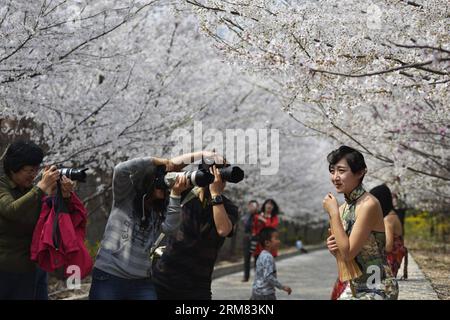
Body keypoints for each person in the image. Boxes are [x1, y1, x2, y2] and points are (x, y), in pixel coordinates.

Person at [89, 151, 206, 300]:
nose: (166, 184)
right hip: (110, 276)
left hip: (141, 281)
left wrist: (175, 195)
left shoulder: (158, 209)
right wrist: (155, 161)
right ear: (150, 179)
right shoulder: (125, 197)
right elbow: (120, 169)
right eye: (163, 179)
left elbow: (170, 228)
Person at [152, 157, 239, 300]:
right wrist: (199, 154)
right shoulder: (184, 193)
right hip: (164, 278)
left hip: (197, 285)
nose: (219, 179)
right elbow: (166, 168)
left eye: (222, 175)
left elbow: (223, 230)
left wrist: (215, 194)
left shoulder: (227, 207)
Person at [0, 140, 74, 300]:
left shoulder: (32, 191)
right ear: (14, 168)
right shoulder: (2, 186)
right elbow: (11, 210)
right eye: (30, 170)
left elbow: (53, 221)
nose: (34, 175)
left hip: (30, 269)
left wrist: (63, 196)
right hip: (4, 270)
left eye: (36, 170)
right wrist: (40, 188)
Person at [324, 146, 398, 300]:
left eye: (341, 171)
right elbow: (345, 255)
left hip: (378, 287)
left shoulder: (369, 204)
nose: (335, 177)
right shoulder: (343, 208)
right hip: (355, 287)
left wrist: (333, 213)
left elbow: (349, 251)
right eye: (333, 171)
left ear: (360, 172)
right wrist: (333, 248)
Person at [370, 184, 407, 278]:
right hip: (393, 261)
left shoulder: (388, 220)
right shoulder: (394, 215)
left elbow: (388, 247)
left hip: (389, 264)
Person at [250, 227, 292, 300]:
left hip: (257, 292)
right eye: (276, 238)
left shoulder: (262, 255)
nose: (279, 241)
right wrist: (282, 287)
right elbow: (268, 276)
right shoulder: (268, 257)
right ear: (267, 243)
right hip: (266, 295)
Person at [241, 200, 258, 282]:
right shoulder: (246, 216)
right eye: (251, 206)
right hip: (247, 239)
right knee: (246, 258)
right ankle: (246, 276)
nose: (252, 207)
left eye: (254, 206)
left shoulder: (259, 216)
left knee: (257, 258)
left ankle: (257, 276)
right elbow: (245, 225)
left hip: (256, 239)